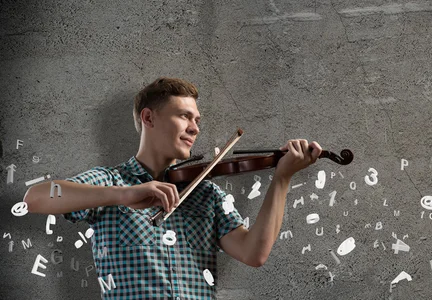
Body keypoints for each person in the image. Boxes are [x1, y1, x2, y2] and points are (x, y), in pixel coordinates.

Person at [23, 77, 322, 299]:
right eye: (184, 116)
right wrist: (124, 194)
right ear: (149, 117)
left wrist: (282, 178)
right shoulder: (111, 182)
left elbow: (254, 253)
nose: (195, 128)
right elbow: (35, 199)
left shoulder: (206, 195)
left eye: (197, 120)